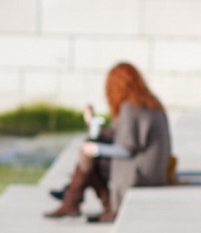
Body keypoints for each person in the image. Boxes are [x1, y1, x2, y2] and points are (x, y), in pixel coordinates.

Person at [45, 62, 171, 223]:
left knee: (90, 156)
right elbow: (114, 133)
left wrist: (97, 149)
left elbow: (126, 149)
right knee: (89, 151)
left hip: (142, 172)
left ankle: (77, 199)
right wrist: (92, 123)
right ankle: (76, 199)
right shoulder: (150, 103)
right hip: (155, 170)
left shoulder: (131, 108)